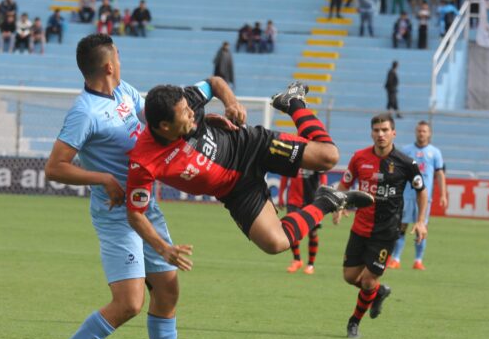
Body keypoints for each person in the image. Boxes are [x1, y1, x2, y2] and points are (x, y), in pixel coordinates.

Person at [31, 34, 198, 339]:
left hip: (145, 206)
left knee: (168, 291)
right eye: (118, 56)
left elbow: (157, 124)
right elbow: (55, 167)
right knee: (129, 303)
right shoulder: (84, 112)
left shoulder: (126, 91)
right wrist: (104, 178)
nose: (120, 60)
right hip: (115, 216)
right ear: (108, 65)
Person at [125, 80, 373, 265]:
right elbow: (136, 214)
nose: (192, 112)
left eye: (190, 109)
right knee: (275, 243)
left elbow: (214, 83)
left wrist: (230, 102)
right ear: (164, 126)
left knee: (329, 156)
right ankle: (327, 202)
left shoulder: (186, 98)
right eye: (185, 114)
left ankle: (292, 102)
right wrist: (163, 249)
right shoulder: (143, 161)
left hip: (251, 146)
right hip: (236, 191)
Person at [333, 113, 427, 339]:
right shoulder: (359, 158)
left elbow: (421, 191)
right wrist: (338, 205)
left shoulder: (406, 163)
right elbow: (345, 184)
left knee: (367, 280)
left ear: (393, 133)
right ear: (371, 133)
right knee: (349, 276)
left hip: (386, 232)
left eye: (385, 130)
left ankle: (354, 322)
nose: (381, 134)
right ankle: (378, 292)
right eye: (377, 130)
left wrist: (421, 221)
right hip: (360, 228)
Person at [388, 121, 446, 270]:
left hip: (424, 197)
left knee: (422, 227)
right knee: (401, 226)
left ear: (429, 133)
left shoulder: (435, 152)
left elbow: (439, 173)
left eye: (424, 131)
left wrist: (443, 194)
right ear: (416, 132)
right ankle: (396, 259)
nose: (421, 134)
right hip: (406, 195)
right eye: (419, 131)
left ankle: (418, 260)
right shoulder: (406, 150)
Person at [278, 169, 328, 274]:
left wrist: (323, 194)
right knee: (292, 231)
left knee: (313, 233)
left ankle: (310, 265)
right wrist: (281, 195)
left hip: (312, 201)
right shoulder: (293, 155)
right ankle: (297, 260)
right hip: (293, 201)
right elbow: (284, 177)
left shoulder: (315, 157)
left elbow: (323, 176)